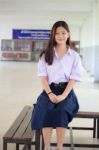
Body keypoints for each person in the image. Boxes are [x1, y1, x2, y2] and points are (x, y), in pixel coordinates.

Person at [31, 21, 83, 150]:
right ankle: (47, 147)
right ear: (53, 35)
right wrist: (49, 93)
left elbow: (74, 78)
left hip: (67, 90)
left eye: (63, 33)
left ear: (68, 34)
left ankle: (60, 147)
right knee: (45, 109)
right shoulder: (45, 54)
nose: (60, 36)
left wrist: (64, 95)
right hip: (49, 89)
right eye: (57, 33)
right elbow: (43, 77)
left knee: (61, 110)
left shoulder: (74, 56)